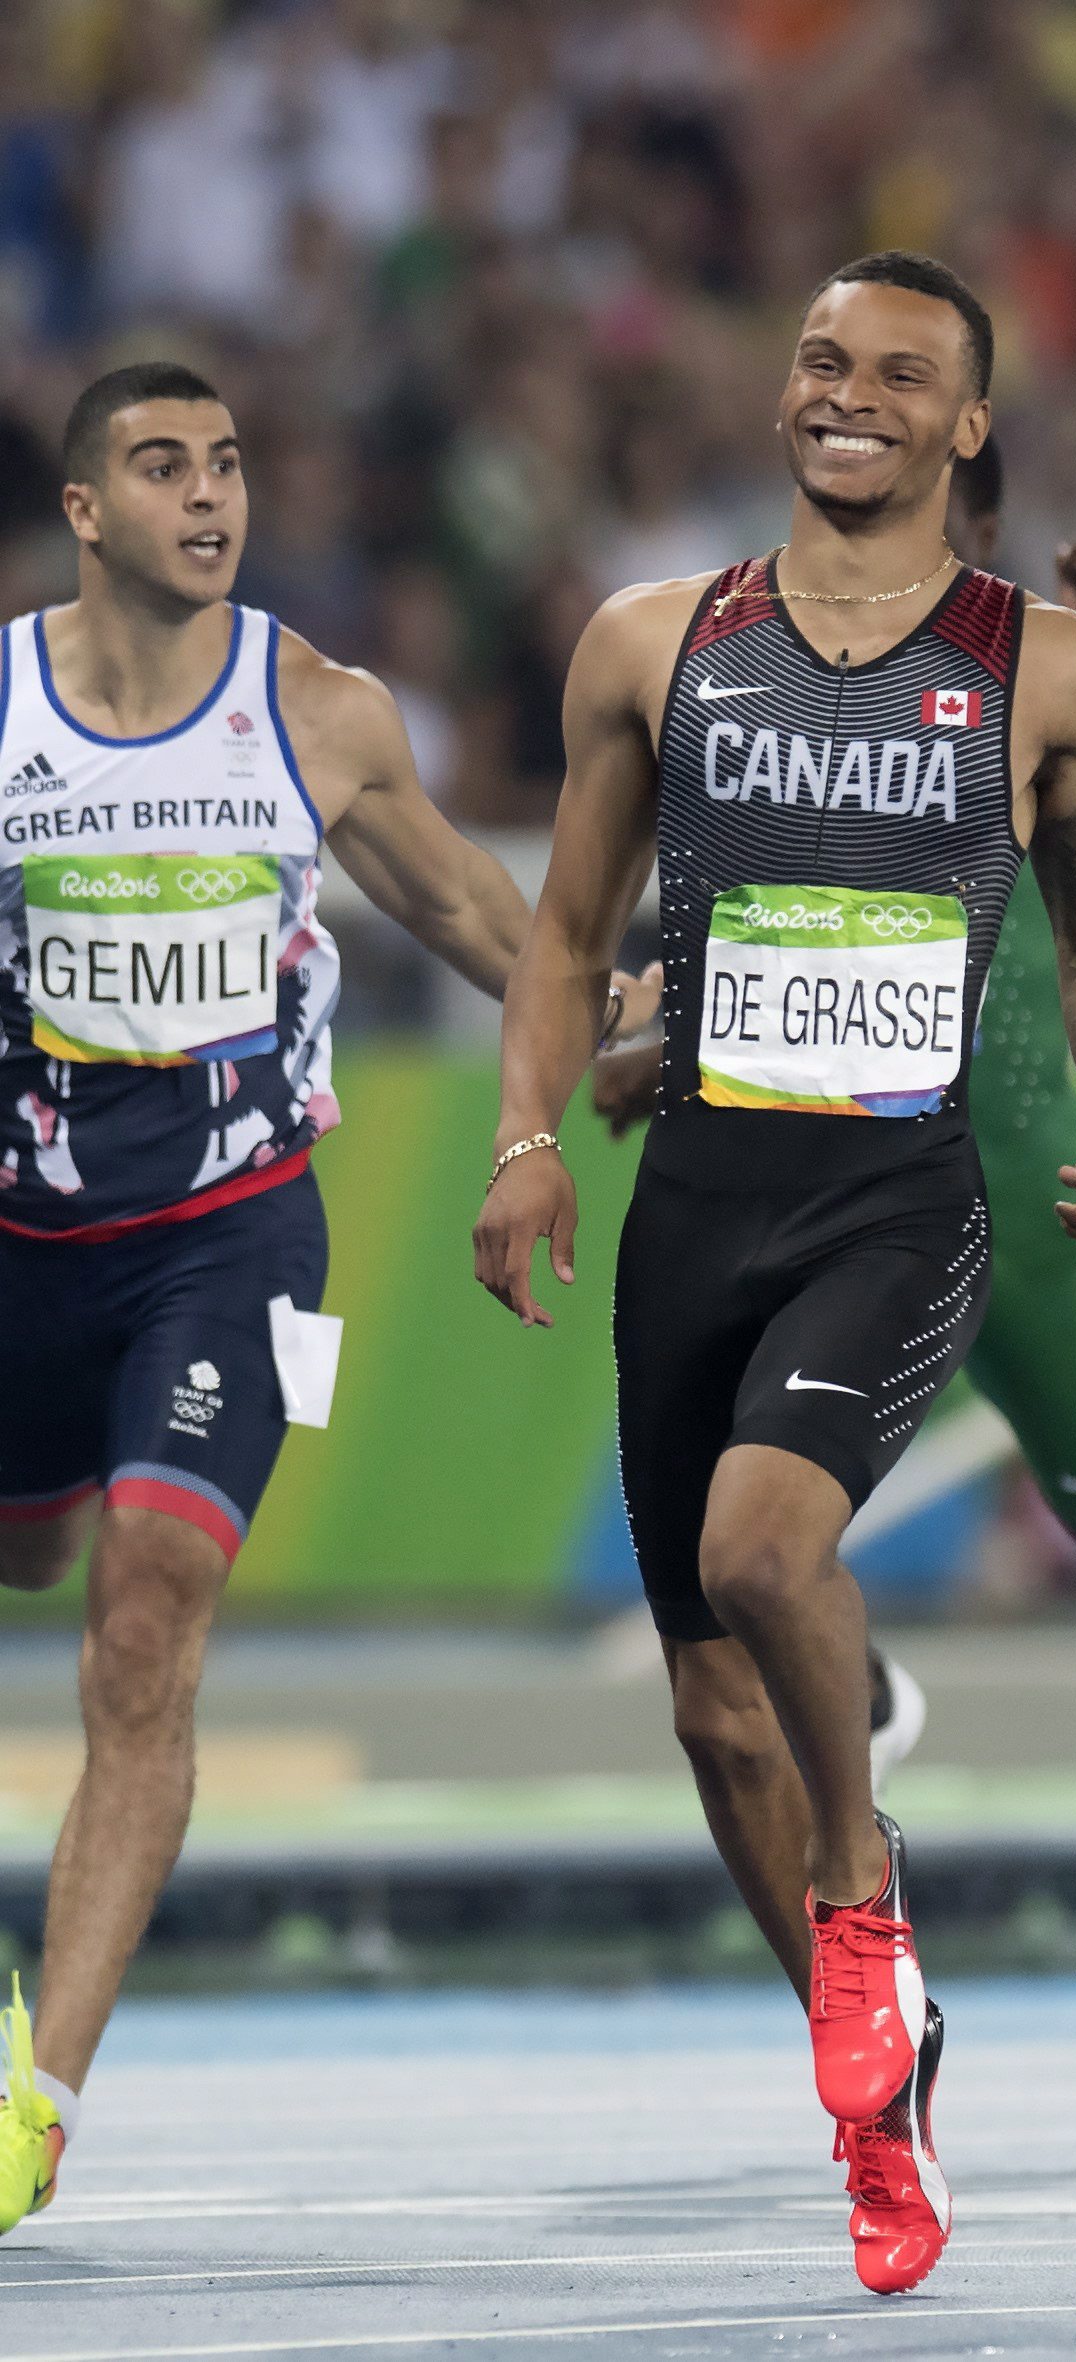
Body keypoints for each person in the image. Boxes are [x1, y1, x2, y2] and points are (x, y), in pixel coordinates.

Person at [471, 253, 1076, 2296]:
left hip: (895, 1201)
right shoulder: (650, 642)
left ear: (967, 424)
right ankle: (874, 2080)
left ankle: (865, 1895)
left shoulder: (1055, 669)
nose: (848, 394)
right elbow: (567, 927)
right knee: (704, 1702)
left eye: (901, 375)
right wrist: (523, 1140)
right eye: (823, 361)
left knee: (770, 1556)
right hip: (696, 1204)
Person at [587, 436, 1076, 2021]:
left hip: (1015, 1205)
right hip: (812, 1187)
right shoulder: (771, 667)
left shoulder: (1040, 684)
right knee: (750, 1546)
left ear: (981, 517)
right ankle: (863, 1833)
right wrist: (664, 1025)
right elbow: (772, 913)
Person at [0, 363, 633, 2236]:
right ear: (88, 508)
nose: (210, 495)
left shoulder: (321, 713)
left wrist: (619, 1034)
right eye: (162, 466)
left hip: (231, 1236)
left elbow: (469, 912)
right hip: (20, 1241)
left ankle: (35, 2101)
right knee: (36, 1564)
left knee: (147, 1619)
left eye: (231, 464)